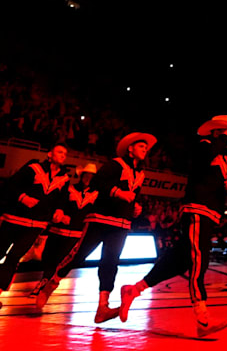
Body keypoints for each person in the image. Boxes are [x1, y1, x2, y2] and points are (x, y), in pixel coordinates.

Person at [118, 115, 227, 337]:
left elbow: (216, 181)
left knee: (178, 261)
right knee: (199, 260)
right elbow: (203, 160)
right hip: (197, 209)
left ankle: (133, 290)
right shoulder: (204, 146)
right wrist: (226, 136)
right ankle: (202, 318)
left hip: (210, 213)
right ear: (216, 133)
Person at [37, 133, 154, 322]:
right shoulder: (115, 164)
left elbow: (133, 195)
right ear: (130, 149)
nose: (145, 150)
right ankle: (52, 283)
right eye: (141, 146)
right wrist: (118, 192)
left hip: (122, 223)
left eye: (146, 148)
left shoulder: (140, 173)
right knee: (78, 256)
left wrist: (135, 207)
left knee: (110, 262)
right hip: (100, 218)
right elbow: (99, 182)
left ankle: (102, 307)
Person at [0, 144, 70, 311]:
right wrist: (22, 197)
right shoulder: (33, 168)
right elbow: (11, 186)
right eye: (60, 152)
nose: (63, 156)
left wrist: (60, 210)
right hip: (13, 218)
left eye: (65, 154)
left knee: (14, 257)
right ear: (49, 154)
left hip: (36, 224)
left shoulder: (64, 178)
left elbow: (61, 200)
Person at [29, 163, 98, 297]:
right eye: (86, 175)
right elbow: (58, 203)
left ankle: (45, 284)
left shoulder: (96, 194)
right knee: (48, 257)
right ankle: (45, 281)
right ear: (81, 175)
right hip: (58, 229)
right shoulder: (69, 188)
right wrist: (60, 213)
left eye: (91, 176)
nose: (88, 178)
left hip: (76, 234)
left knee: (61, 260)